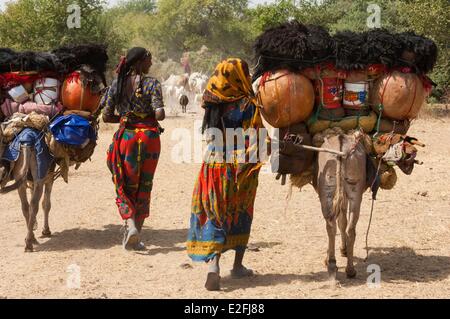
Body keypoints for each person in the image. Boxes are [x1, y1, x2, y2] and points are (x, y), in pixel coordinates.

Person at [186, 58, 264, 290]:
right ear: (239, 75)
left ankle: (213, 267)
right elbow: (255, 137)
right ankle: (238, 266)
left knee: (215, 211)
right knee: (241, 210)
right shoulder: (246, 104)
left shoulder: (212, 102)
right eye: (246, 73)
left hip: (213, 164)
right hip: (238, 167)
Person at [100, 47, 165, 250]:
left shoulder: (116, 85)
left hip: (126, 138)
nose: (151, 64)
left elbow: (106, 116)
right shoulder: (152, 83)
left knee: (124, 182)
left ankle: (130, 226)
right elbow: (160, 114)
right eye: (149, 60)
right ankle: (137, 231)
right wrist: (153, 113)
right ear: (140, 62)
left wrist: (127, 117)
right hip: (149, 138)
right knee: (145, 184)